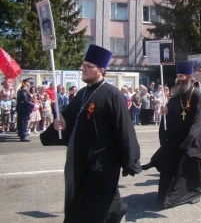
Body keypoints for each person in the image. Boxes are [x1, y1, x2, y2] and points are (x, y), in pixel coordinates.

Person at [40, 44, 142, 223]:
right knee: (84, 204)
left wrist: (130, 159)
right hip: (80, 161)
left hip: (102, 162)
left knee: (97, 205)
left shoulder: (113, 95)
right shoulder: (81, 93)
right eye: (83, 65)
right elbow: (70, 119)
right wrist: (61, 124)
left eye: (89, 67)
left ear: (101, 70)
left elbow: (124, 129)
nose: (84, 69)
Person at [142, 61, 201, 208]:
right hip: (176, 137)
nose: (179, 78)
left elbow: (198, 119)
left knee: (191, 168)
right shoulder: (175, 95)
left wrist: (190, 139)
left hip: (192, 138)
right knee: (169, 164)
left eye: (182, 76)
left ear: (189, 77)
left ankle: (195, 193)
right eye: (178, 75)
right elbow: (171, 114)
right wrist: (165, 112)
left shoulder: (197, 95)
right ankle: (164, 196)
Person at [16, 78, 35, 142]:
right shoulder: (23, 91)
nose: (29, 83)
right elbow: (25, 100)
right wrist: (33, 105)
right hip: (23, 109)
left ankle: (21, 133)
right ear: (25, 82)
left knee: (22, 122)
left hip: (23, 108)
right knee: (23, 123)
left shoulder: (22, 90)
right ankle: (23, 136)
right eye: (28, 82)